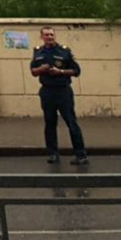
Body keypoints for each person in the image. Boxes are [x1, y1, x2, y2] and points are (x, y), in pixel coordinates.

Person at [30, 26, 87, 165]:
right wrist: (41, 69)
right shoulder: (38, 52)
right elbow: (33, 71)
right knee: (50, 123)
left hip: (63, 91)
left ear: (55, 36)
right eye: (47, 35)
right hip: (47, 91)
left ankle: (81, 155)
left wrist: (60, 72)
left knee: (71, 122)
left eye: (51, 35)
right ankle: (53, 154)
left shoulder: (64, 51)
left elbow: (76, 71)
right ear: (41, 37)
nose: (49, 37)